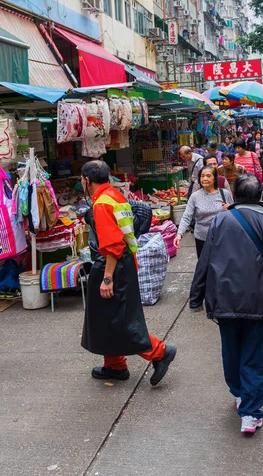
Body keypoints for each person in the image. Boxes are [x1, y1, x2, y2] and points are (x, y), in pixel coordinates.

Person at [189, 174, 263, 434]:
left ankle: (239, 394)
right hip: (260, 301)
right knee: (255, 356)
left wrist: (196, 297)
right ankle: (250, 412)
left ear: (234, 195)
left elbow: (204, 261)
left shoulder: (219, 221)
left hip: (224, 297)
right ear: (260, 196)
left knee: (232, 349)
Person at [80, 161, 176, 383]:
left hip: (113, 264)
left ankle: (160, 352)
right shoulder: (114, 194)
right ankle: (114, 365)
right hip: (123, 262)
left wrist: (107, 278)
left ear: (87, 180)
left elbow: (112, 246)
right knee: (106, 317)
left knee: (120, 320)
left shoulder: (102, 203)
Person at [173, 166, 233, 258]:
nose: (205, 178)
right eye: (202, 176)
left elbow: (234, 214)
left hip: (222, 237)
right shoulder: (195, 196)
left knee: (222, 266)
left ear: (215, 178)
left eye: (208, 176)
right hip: (202, 238)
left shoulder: (224, 193)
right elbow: (187, 216)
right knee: (204, 267)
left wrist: (230, 209)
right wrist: (179, 233)